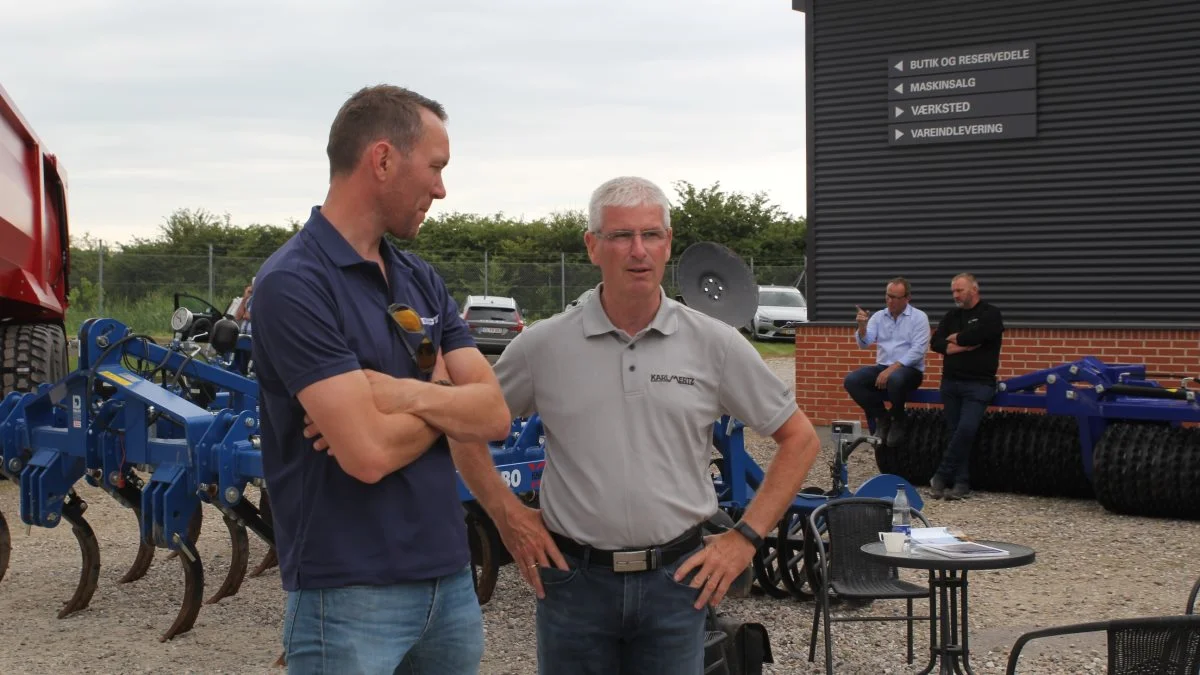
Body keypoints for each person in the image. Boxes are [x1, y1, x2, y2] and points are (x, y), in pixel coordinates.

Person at [443, 176, 822, 675]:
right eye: (621, 235)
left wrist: (745, 537)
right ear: (592, 246)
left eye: (651, 234)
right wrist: (507, 513)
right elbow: (463, 428)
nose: (638, 250)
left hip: (677, 585)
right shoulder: (542, 347)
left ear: (668, 243)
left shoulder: (716, 344)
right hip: (573, 584)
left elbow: (800, 440)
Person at [250, 85, 512, 674]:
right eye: (436, 168)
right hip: (347, 594)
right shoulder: (295, 283)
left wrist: (400, 394)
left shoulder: (419, 277)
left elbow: (495, 416)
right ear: (384, 159)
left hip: (450, 582)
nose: (441, 189)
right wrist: (446, 401)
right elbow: (368, 454)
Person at [929, 272, 1004, 500]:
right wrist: (961, 344)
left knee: (966, 429)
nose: (956, 295)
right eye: (953, 291)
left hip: (979, 384)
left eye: (960, 290)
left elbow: (979, 335)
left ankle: (941, 475)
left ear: (974, 289)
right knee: (954, 432)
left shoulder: (990, 314)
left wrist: (956, 339)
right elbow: (936, 343)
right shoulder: (951, 316)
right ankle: (961, 483)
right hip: (951, 383)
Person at [843, 277, 930, 446]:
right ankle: (882, 417)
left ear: (907, 298)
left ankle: (898, 419)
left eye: (895, 297)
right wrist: (862, 327)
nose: (890, 301)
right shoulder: (879, 316)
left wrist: (892, 369)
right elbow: (864, 343)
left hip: (910, 370)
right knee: (852, 380)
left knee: (895, 379)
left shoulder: (919, 317)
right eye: (888, 296)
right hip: (883, 367)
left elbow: (918, 350)